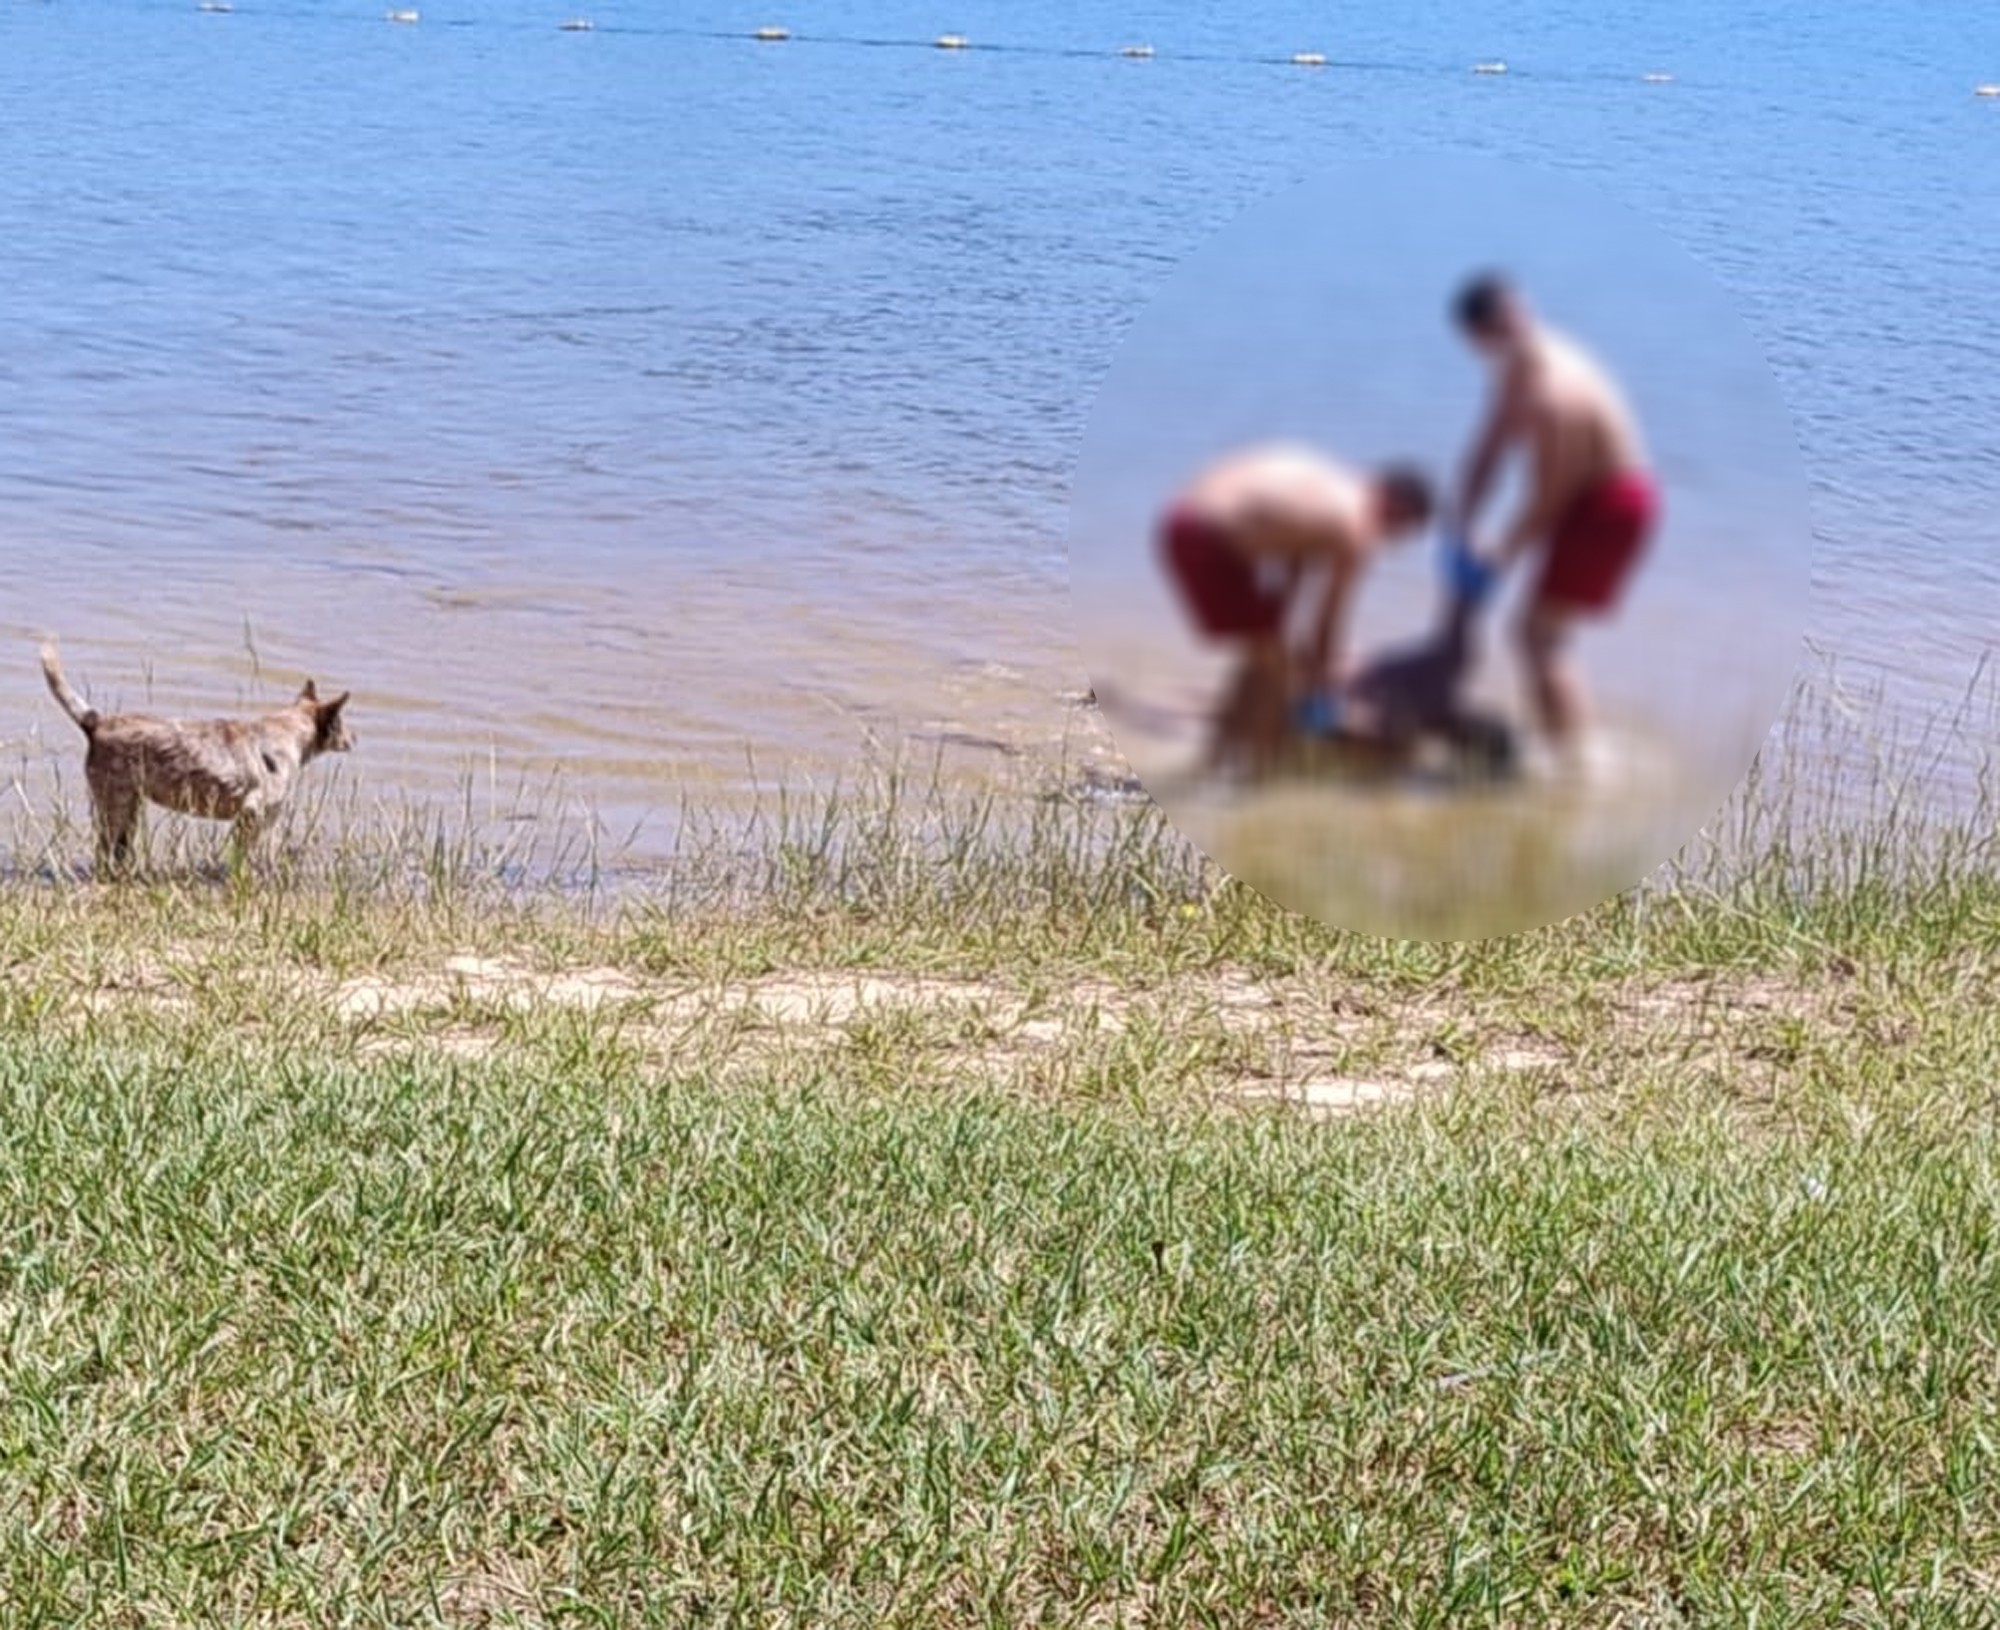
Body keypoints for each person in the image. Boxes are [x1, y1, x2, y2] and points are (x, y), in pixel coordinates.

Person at [1444, 273, 1662, 763]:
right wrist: (1462, 521)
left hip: (1611, 504)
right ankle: (1562, 746)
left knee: (1537, 635)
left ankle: (1580, 763)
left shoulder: (1553, 391)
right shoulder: (1517, 368)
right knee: (1535, 633)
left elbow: (1551, 495)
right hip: (1593, 499)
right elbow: (1489, 448)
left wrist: (1502, 552)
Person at [1156, 444, 1435, 777]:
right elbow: (1328, 621)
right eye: (1401, 531)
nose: (1393, 540)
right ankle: (1254, 775)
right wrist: (1323, 683)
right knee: (1278, 669)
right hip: (1210, 540)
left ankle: (1217, 759)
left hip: (1181, 518)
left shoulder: (1330, 488)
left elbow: (1290, 581)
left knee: (1264, 653)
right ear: (1397, 508)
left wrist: (1292, 644)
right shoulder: (1359, 524)